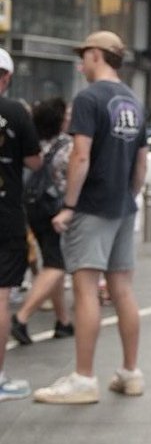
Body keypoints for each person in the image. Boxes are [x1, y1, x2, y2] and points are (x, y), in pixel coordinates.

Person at [33, 32, 148, 405]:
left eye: (84, 56)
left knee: (85, 289)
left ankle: (83, 378)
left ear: (97, 55)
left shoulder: (88, 98)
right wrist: (128, 197)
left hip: (92, 206)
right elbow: (141, 164)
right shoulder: (133, 100)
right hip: (122, 206)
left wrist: (69, 205)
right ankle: (130, 372)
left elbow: (80, 155)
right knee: (123, 290)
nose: (81, 64)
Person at [10, 97, 74, 345]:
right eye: (66, 114)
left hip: (33, 206)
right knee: (57, 264)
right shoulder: (67, 146)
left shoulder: (35, 143)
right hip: (56, 209)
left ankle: (63, 321)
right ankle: (22, 318)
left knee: (51, 260)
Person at [0, 47, 41, 401]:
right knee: (1, 296)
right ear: (8, 77)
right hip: (6, 214)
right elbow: (34, 160)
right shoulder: (15, 112)